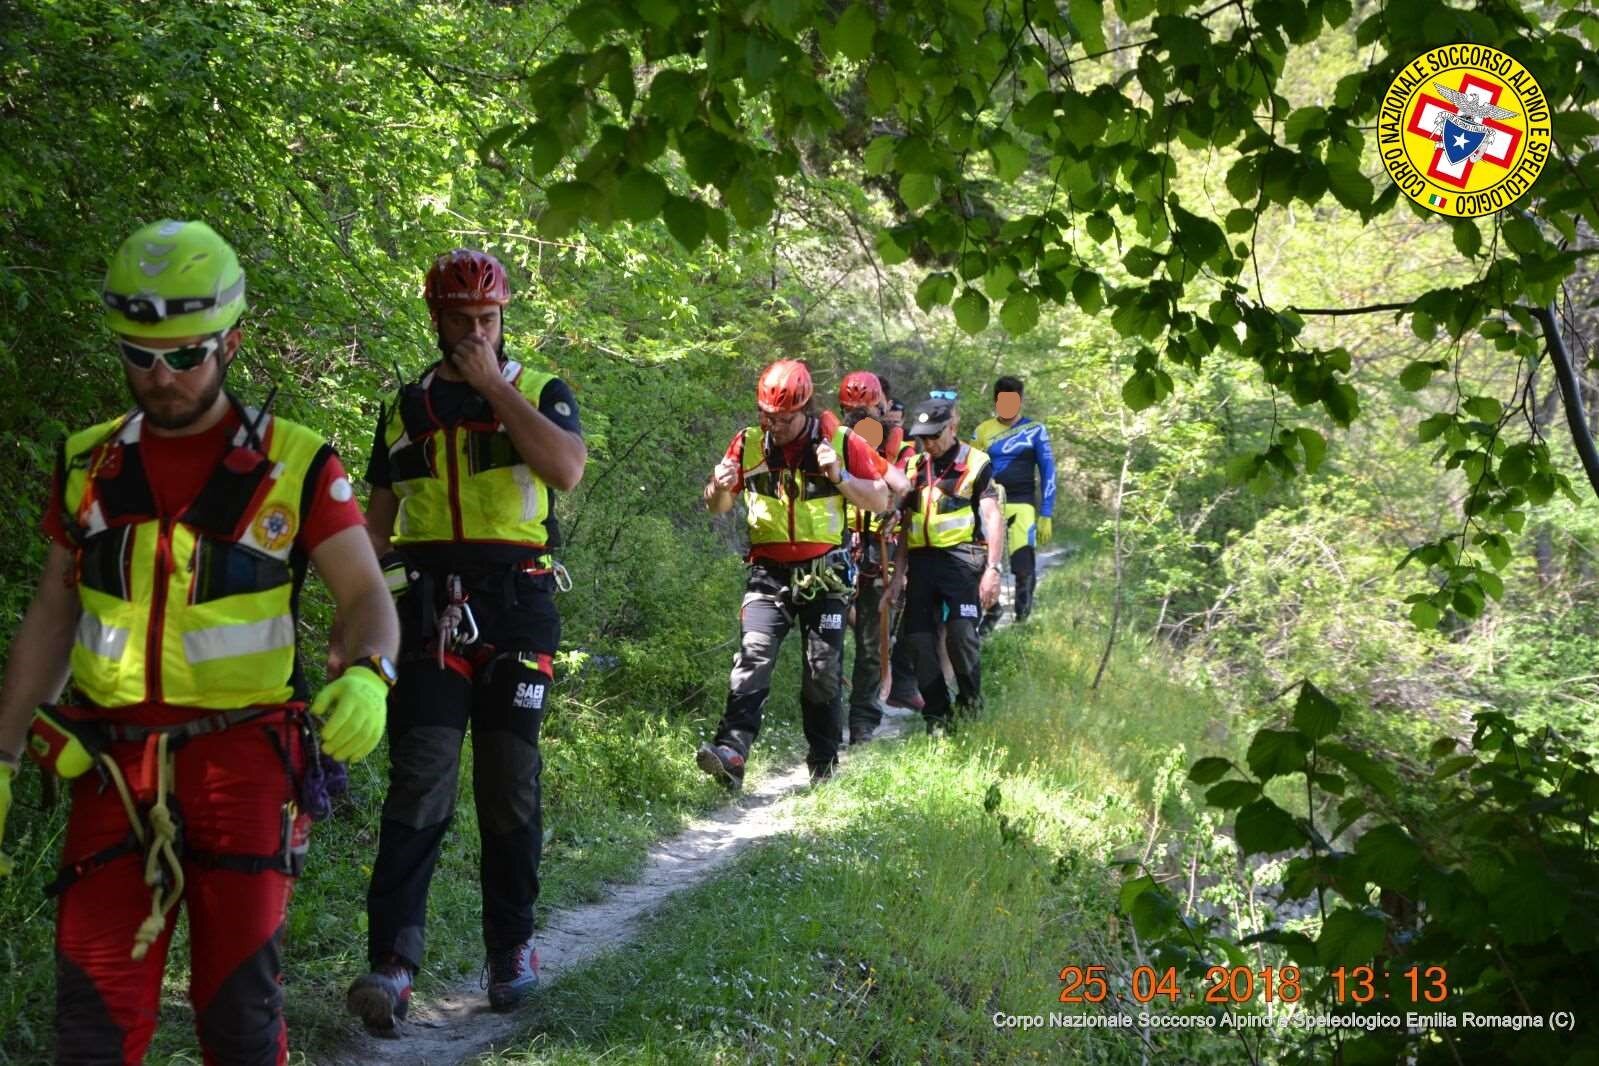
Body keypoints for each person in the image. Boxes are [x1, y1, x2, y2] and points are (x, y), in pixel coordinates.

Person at [0, 219, 399, 1065]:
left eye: (185, 355)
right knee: (91, 1023)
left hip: (244, 764)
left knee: (238, 1017)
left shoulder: (297, 463)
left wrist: (371, 672)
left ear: (231, 343)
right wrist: (0, 755)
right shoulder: (87, 463)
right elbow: (51, 615)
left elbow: (367, 593)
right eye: (140, 355)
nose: (162, 375)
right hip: (110, 767)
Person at [346, 249, 587, 1030]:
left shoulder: (540, 389)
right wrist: (349, 622)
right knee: (421, 778)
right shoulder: (405, 406)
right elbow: (374, 530)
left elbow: (565, 470)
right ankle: (391, 966)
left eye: (489, 318)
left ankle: (510, 949)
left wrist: (493, 387)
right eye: (462, 320)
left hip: (517, 604)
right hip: (427, 607)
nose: (477, 331)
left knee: (508, 780)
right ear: (436, 319)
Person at [697, 360, 893, 788]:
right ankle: (731, 753)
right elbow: (717, 506)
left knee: (821, 670)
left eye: (784, 418)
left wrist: (839, 476)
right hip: (767, 572)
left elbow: (880, 500)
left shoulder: (840, 442)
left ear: (804, 408)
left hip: (825, 574)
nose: (775, 425)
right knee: (753, 655)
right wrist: (718, 486)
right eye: (767, 415)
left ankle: (823, 764)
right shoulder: (747, 443)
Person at [888, 398, 1005, 733]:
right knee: (918, 640)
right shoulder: (914, 467)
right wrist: (897, 575)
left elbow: (992, 517)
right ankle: (938, 715)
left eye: (934, 436)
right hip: (921, 563)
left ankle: (970, 704)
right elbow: (905, 524)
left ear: (952, 427)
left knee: (960, 633)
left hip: (962, 560)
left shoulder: (976, 463)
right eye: (923, 437)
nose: (928, 443)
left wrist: (993, 569)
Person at [835, 372, 914, 745]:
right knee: (827, 635)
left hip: (878, 545)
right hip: (836, 543)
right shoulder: (832, 441)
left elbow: (909, 489)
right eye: (851, 411)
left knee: (872, 640)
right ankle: (828, 714)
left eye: (865, 410)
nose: (858, 418)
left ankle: (863, 721)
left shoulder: (900, 448)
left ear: (881, 406)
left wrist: (896, 508)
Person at [972, 376, 1056, 629]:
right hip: (988, 502)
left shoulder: (1036, 430)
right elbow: (970, 468)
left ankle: (1021, 620)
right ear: (995, 401)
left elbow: (1048, 470)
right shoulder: (982, 431)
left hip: (1023, 503)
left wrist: (1046, 512)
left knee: (1023, 563)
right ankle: (991, 612)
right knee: (981, 561)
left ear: (1021, 400)